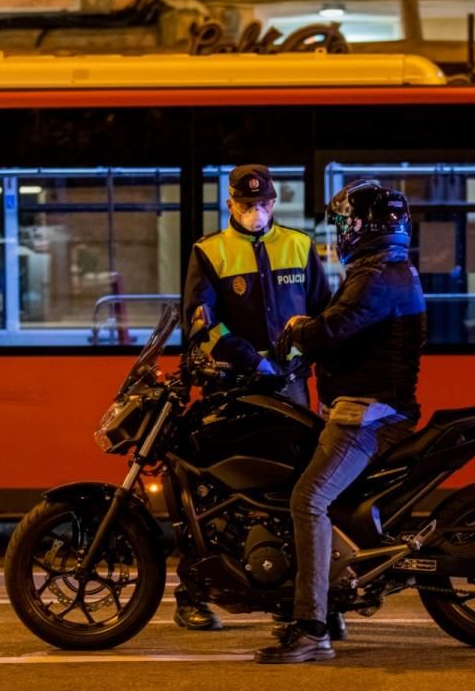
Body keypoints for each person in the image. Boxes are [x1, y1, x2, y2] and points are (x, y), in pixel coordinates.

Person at [255, 179, 426, 664]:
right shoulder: (385, 270)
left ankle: (311, 628)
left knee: (308, 500)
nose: (339, 233)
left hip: (368, 415)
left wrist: (296, 328)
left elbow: (331, 330)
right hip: (364, 407)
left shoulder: (375, 276)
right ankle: (329, 604)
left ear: (362, 225)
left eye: (343, 223)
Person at [176, 163, 331, 631]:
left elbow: (324, 315)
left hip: (290, 387)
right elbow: (200, 322)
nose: (255, 211)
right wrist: (248, 360)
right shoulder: (210, 252)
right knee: (209, 493)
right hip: (232, 387)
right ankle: (192, 595)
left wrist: (303, 363)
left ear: (275, 202)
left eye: (263, 203)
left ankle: (301, 601)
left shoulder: (300, 246)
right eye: (246, 204)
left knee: (295, 492)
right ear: (230, 204)